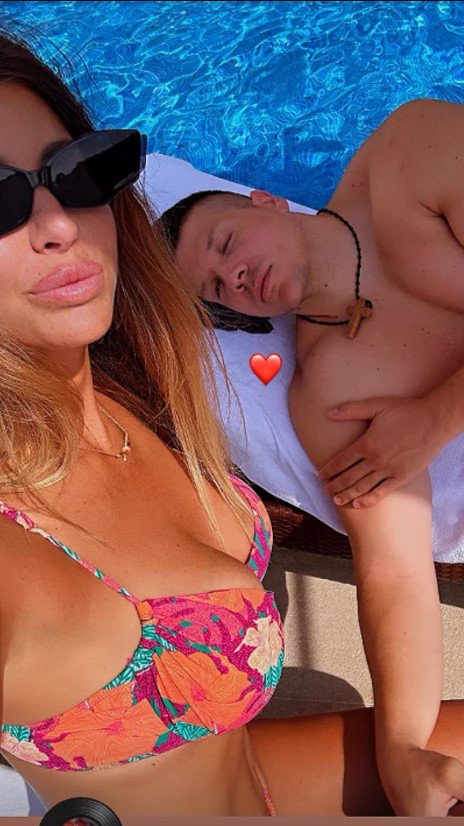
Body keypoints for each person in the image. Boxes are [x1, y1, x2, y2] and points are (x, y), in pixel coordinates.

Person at [158, 97, 464, 816]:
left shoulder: (408, 152)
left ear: (264, 199)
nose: (235, 275)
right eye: (216, 288)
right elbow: (393, 568)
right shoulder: (332, 390)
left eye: (227, 243)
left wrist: (435, 417)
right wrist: (401, 752)